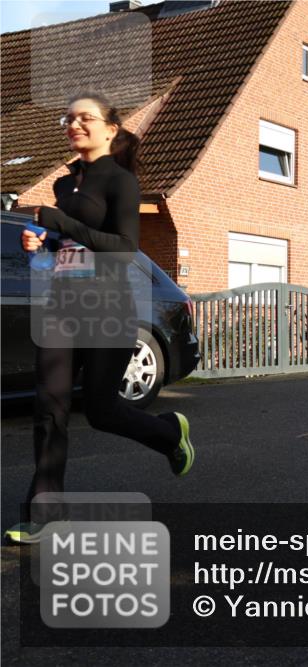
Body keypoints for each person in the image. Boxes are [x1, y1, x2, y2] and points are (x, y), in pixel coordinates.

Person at [5, 93, 194, 545]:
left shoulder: (121, 183)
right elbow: (74, 251)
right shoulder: (64, 185)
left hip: (108, 308)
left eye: (85, 117)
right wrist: (44, 246)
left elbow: (123, 248)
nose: (74, 123)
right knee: (49, 408)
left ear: (110, 129)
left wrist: (61, 225)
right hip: (62, 307)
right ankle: (46, 514)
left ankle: (168, 433)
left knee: (103, 409)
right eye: (68, 117)